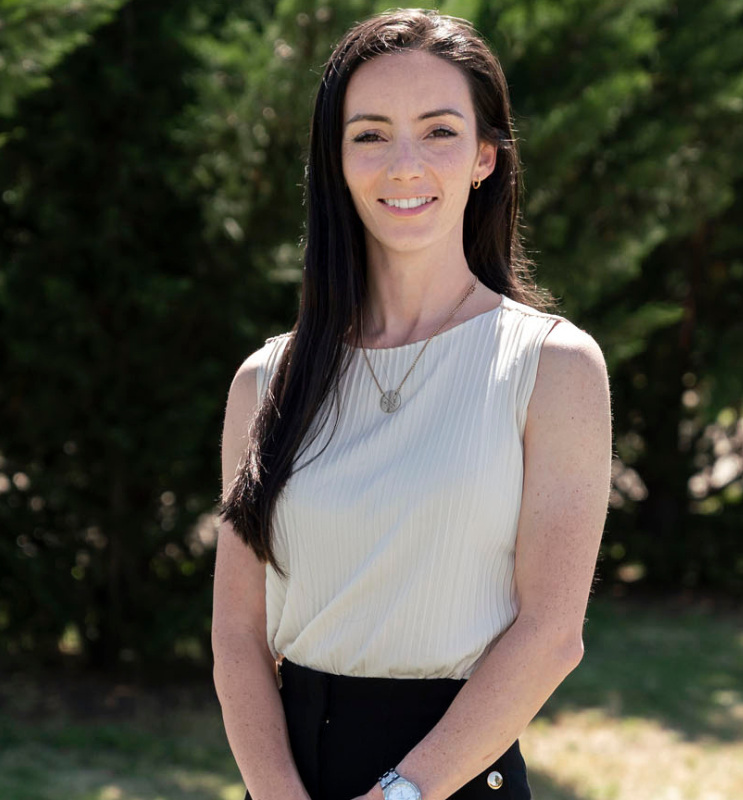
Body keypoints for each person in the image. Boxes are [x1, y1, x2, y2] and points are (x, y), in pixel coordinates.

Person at [212, 8, 612, 800]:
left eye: (438, 131)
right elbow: (235, 634)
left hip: (452, 779)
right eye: (369, 134)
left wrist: (402, 794)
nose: (403, 164)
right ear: (336, 160)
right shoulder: (266, 381)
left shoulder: (554, 367)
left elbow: (550, 636)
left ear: (484, 159)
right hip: (286, 777)